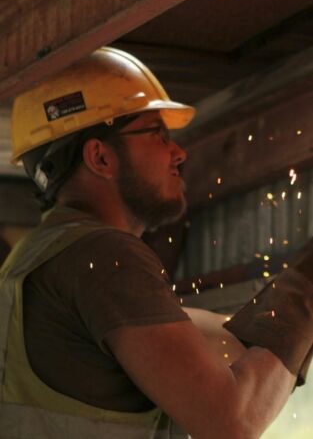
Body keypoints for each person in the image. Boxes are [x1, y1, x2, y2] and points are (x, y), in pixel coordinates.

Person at [0, 47, 311, 439]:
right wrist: (306, 287)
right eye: (158, 134)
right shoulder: (101, 255)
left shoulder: (34, 258)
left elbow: (206, 336)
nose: (178, 153)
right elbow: (233, 422)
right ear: (100, 157)